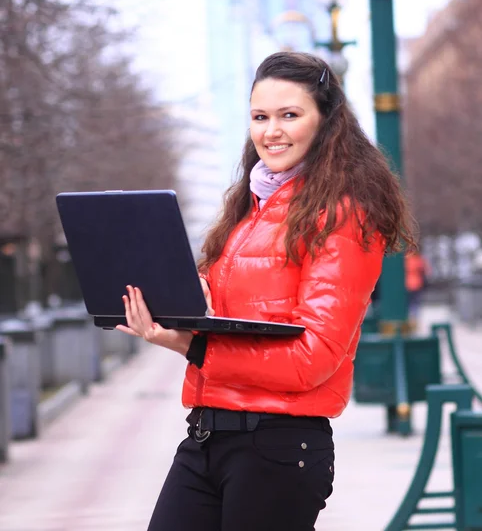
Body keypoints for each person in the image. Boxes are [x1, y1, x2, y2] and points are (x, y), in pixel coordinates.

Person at [116, 51, 416, 531]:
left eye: (289, 115)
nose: (270, 131)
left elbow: (315, 357)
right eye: (260, 117)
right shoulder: (252, 207)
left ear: (326, 122)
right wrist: (187, 296)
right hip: (207, 436)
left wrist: (192, 345)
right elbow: (236, 311)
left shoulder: (343, 214)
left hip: (279, 447)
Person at [405, 250, 431, 320]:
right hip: (417, 283)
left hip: (408, 283)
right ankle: (414, 317)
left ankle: (410, 317)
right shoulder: (419, 260)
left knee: (409, 302)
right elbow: (427, 271)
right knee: (416, 302)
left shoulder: (407, 260)